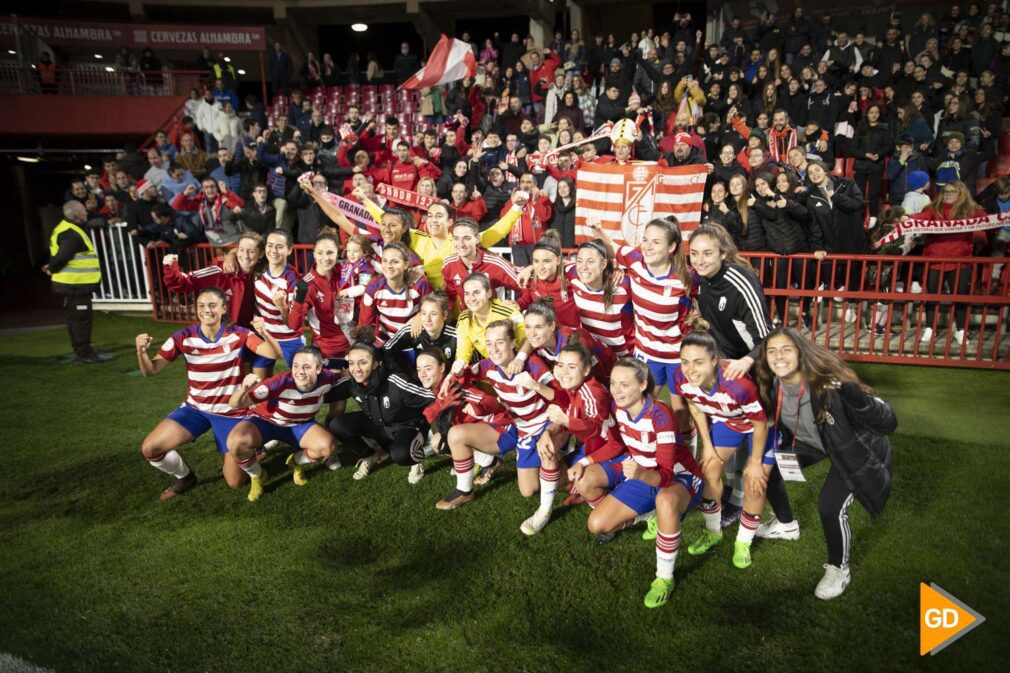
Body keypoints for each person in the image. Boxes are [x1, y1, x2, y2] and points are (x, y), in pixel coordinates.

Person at [755, 327, 896, 600]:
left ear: (800, 352)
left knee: (829, 507)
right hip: (814, 441)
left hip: (851, 446)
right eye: (771, 351)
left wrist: (859, 398)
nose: (778, 357)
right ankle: (786, 525)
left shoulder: (828, 383)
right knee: (768, 469)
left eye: (786, 349)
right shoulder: (773, 383)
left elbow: (887, 421)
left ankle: (838, 569)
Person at [566, 357, 702, 608]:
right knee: (597, 522)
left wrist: (639, 474)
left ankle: (664, 578)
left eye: (624, 385)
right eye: (613, 383)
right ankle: (651, 517)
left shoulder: (661, 415)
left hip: (677, 476)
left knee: (665, 499)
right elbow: (617, 445)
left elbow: (666, 474)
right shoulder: (619, 408)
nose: (616, 391)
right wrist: (583, 463)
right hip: (640, 469)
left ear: (642, 385)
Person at [136, 288, 279, 500]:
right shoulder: (183, 337)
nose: (206, 310)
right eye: (201, 305)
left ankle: (253, 447)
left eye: (212, 305)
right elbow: (151, 370)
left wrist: (265, 332)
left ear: (223, 309)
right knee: (150, 448)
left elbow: (273, 353)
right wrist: (141, 352)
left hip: (232, 412)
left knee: (234, 482)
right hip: (196, 409)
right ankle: (184, 477)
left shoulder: (239, 334)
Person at [672, 331, 785, 573]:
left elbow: (760, 423)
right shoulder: (680, 377)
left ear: (714, 361)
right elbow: (695, 406)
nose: (690, 369)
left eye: (698, 362)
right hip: (728, 422)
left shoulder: (737, 383)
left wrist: (755, 463)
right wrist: (708, 446)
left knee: (754, 481)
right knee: (708, 471)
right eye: (685, 361)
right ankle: (713, 532)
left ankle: (743, 542)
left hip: (760, 426)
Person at [437, 319, 567, 519]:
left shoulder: (532, 365)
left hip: (549, 425)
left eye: (500, 342)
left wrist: (536, 386)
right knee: (528, 490)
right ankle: (464, 491)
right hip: (520, 429)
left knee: (537, 472)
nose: (494, 349)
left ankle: (579, 472)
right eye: (489, 343)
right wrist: (452, 375)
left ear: (514, 343)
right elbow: (465, 375)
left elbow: (562, 399)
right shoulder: (488, 366)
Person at [590, 216, 697, 434]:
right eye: (645, 240)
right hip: (647, 352)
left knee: (681, 412)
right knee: (640, 407)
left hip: (678, 355)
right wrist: (596, 229)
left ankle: (686, 464)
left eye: (656, 242)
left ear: (672, 247)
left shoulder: (686, 278)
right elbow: (611, 248)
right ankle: (643, 453)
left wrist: (697, 314)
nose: (648, 246)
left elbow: (706, 297)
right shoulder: (635, 260)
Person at [225, 346, 340, 501]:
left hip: (300, 424)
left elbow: (347, 371)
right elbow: (235, 404)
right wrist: (244, 389)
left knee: (328, 447)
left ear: (318, 369)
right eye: (296, 366)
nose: (300, 371)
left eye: (307, 367)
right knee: (235, 442)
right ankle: (257, 475)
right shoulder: (278, 383)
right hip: (266, 422)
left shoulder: (328, 378)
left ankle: (294, 461)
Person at [325, 334, 435, 483]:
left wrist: (434, 430)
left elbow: (431, 398)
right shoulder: (351, 382)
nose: (356, 369)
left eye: (363, 362)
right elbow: (321, 394)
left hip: (405, 427)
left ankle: (416, 458)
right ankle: (368, 455)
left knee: (401, 455)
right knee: (337, 425)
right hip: (377, 425)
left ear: (376, 363)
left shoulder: (396, 381)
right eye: (352, 363)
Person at [917, 181, 988, 347]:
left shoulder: (971, 210)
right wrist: (908, 218)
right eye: (945, 191)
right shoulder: (933, 209)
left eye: (952, 192)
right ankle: (930, 328)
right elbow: (921, 218)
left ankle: (961, 330)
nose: (947, 194)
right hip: (935, 259)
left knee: (960, 295)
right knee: (932, 295)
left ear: (961, 194)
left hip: (960, 260)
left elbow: (987, 221)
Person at [43, 201, 107, 364]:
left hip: (73, 284)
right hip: (76, 284)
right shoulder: (71, 232)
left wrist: (51, 266)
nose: (86, 213)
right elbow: (64, 255)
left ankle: (80, 350)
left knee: (75, 318)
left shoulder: (66, 228)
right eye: (84, 211)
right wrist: (52, 267)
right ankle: (84, 353)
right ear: (77, 214)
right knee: (81, 319)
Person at [287, 230, 351, 366]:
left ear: (338, 252)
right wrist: (299, 299)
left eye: (330, 252)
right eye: (320, 253)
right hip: (327, 352)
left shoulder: (345, 272)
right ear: (314, 254)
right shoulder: (307, 284)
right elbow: (294, 325)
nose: (325, 258)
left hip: (353, 346)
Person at [357, 241, 432, 345]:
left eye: (395, 262)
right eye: (385, 261)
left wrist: (420, 315)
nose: (388, 266)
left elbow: (433, 310)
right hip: (384, 342)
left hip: (414, 341)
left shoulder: (419, 284)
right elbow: (364, 323)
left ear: (406, 264)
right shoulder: (373, 287)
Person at [571, 239, 635, 357]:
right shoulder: (573, 275)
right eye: (579, 261)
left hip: (624, 359)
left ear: (604, 264)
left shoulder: (623, 285)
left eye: (590, 262)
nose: (583, 267)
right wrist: (529, 269)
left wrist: (621, 270)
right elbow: (553, 265)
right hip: (595, 356)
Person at [254, 230, 305, 370]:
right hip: (267, 337)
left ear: (289, 250)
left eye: (280, 246)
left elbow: (292, 324)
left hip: (291, 339)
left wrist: (282, 307)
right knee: (258, 386)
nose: (274, 250)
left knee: (301, 382)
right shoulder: (258, 270)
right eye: (270, 245)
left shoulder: (293, 280)